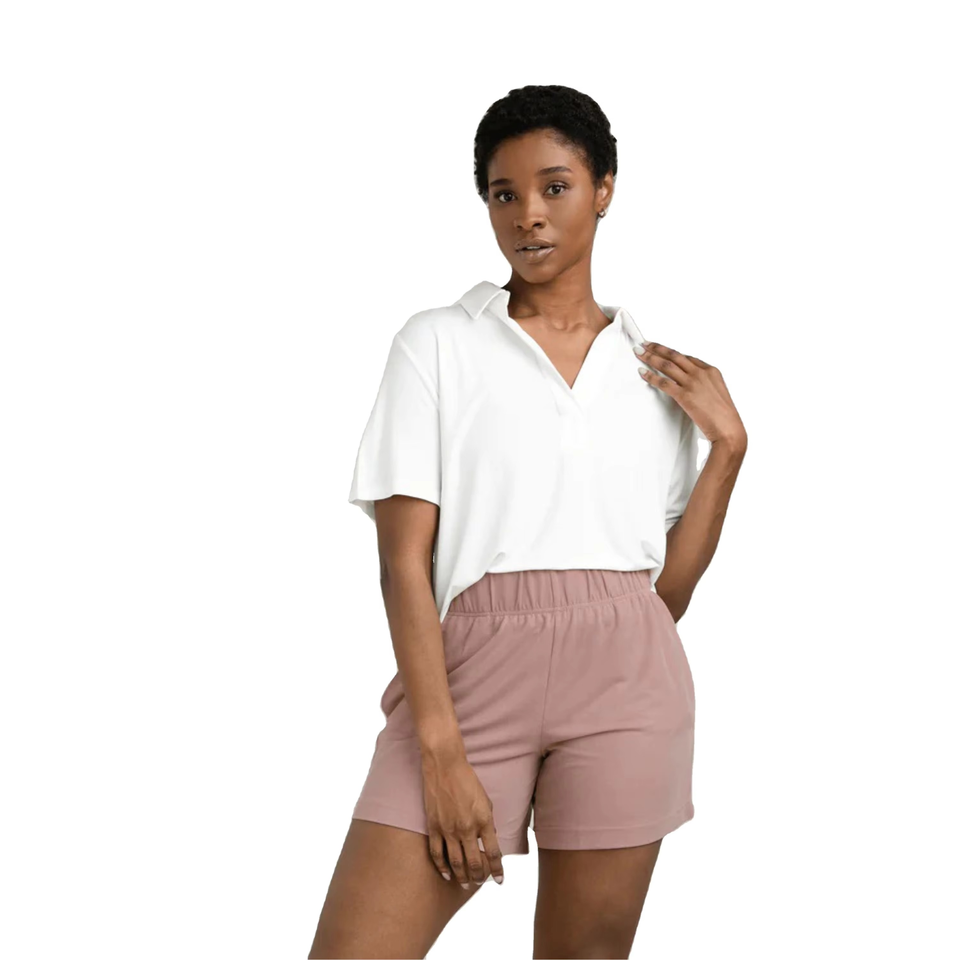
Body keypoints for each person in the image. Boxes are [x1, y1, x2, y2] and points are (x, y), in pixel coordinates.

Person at [309, 84, 747, 959]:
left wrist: (728, 451)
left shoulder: (652, 372)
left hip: (628, 683)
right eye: (503, 194)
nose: (528, 215)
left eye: (555, 187)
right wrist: (440, 748)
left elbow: (663, 600)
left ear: (604, 189)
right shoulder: (438, 342)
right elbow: (403, 564)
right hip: (470, 678)